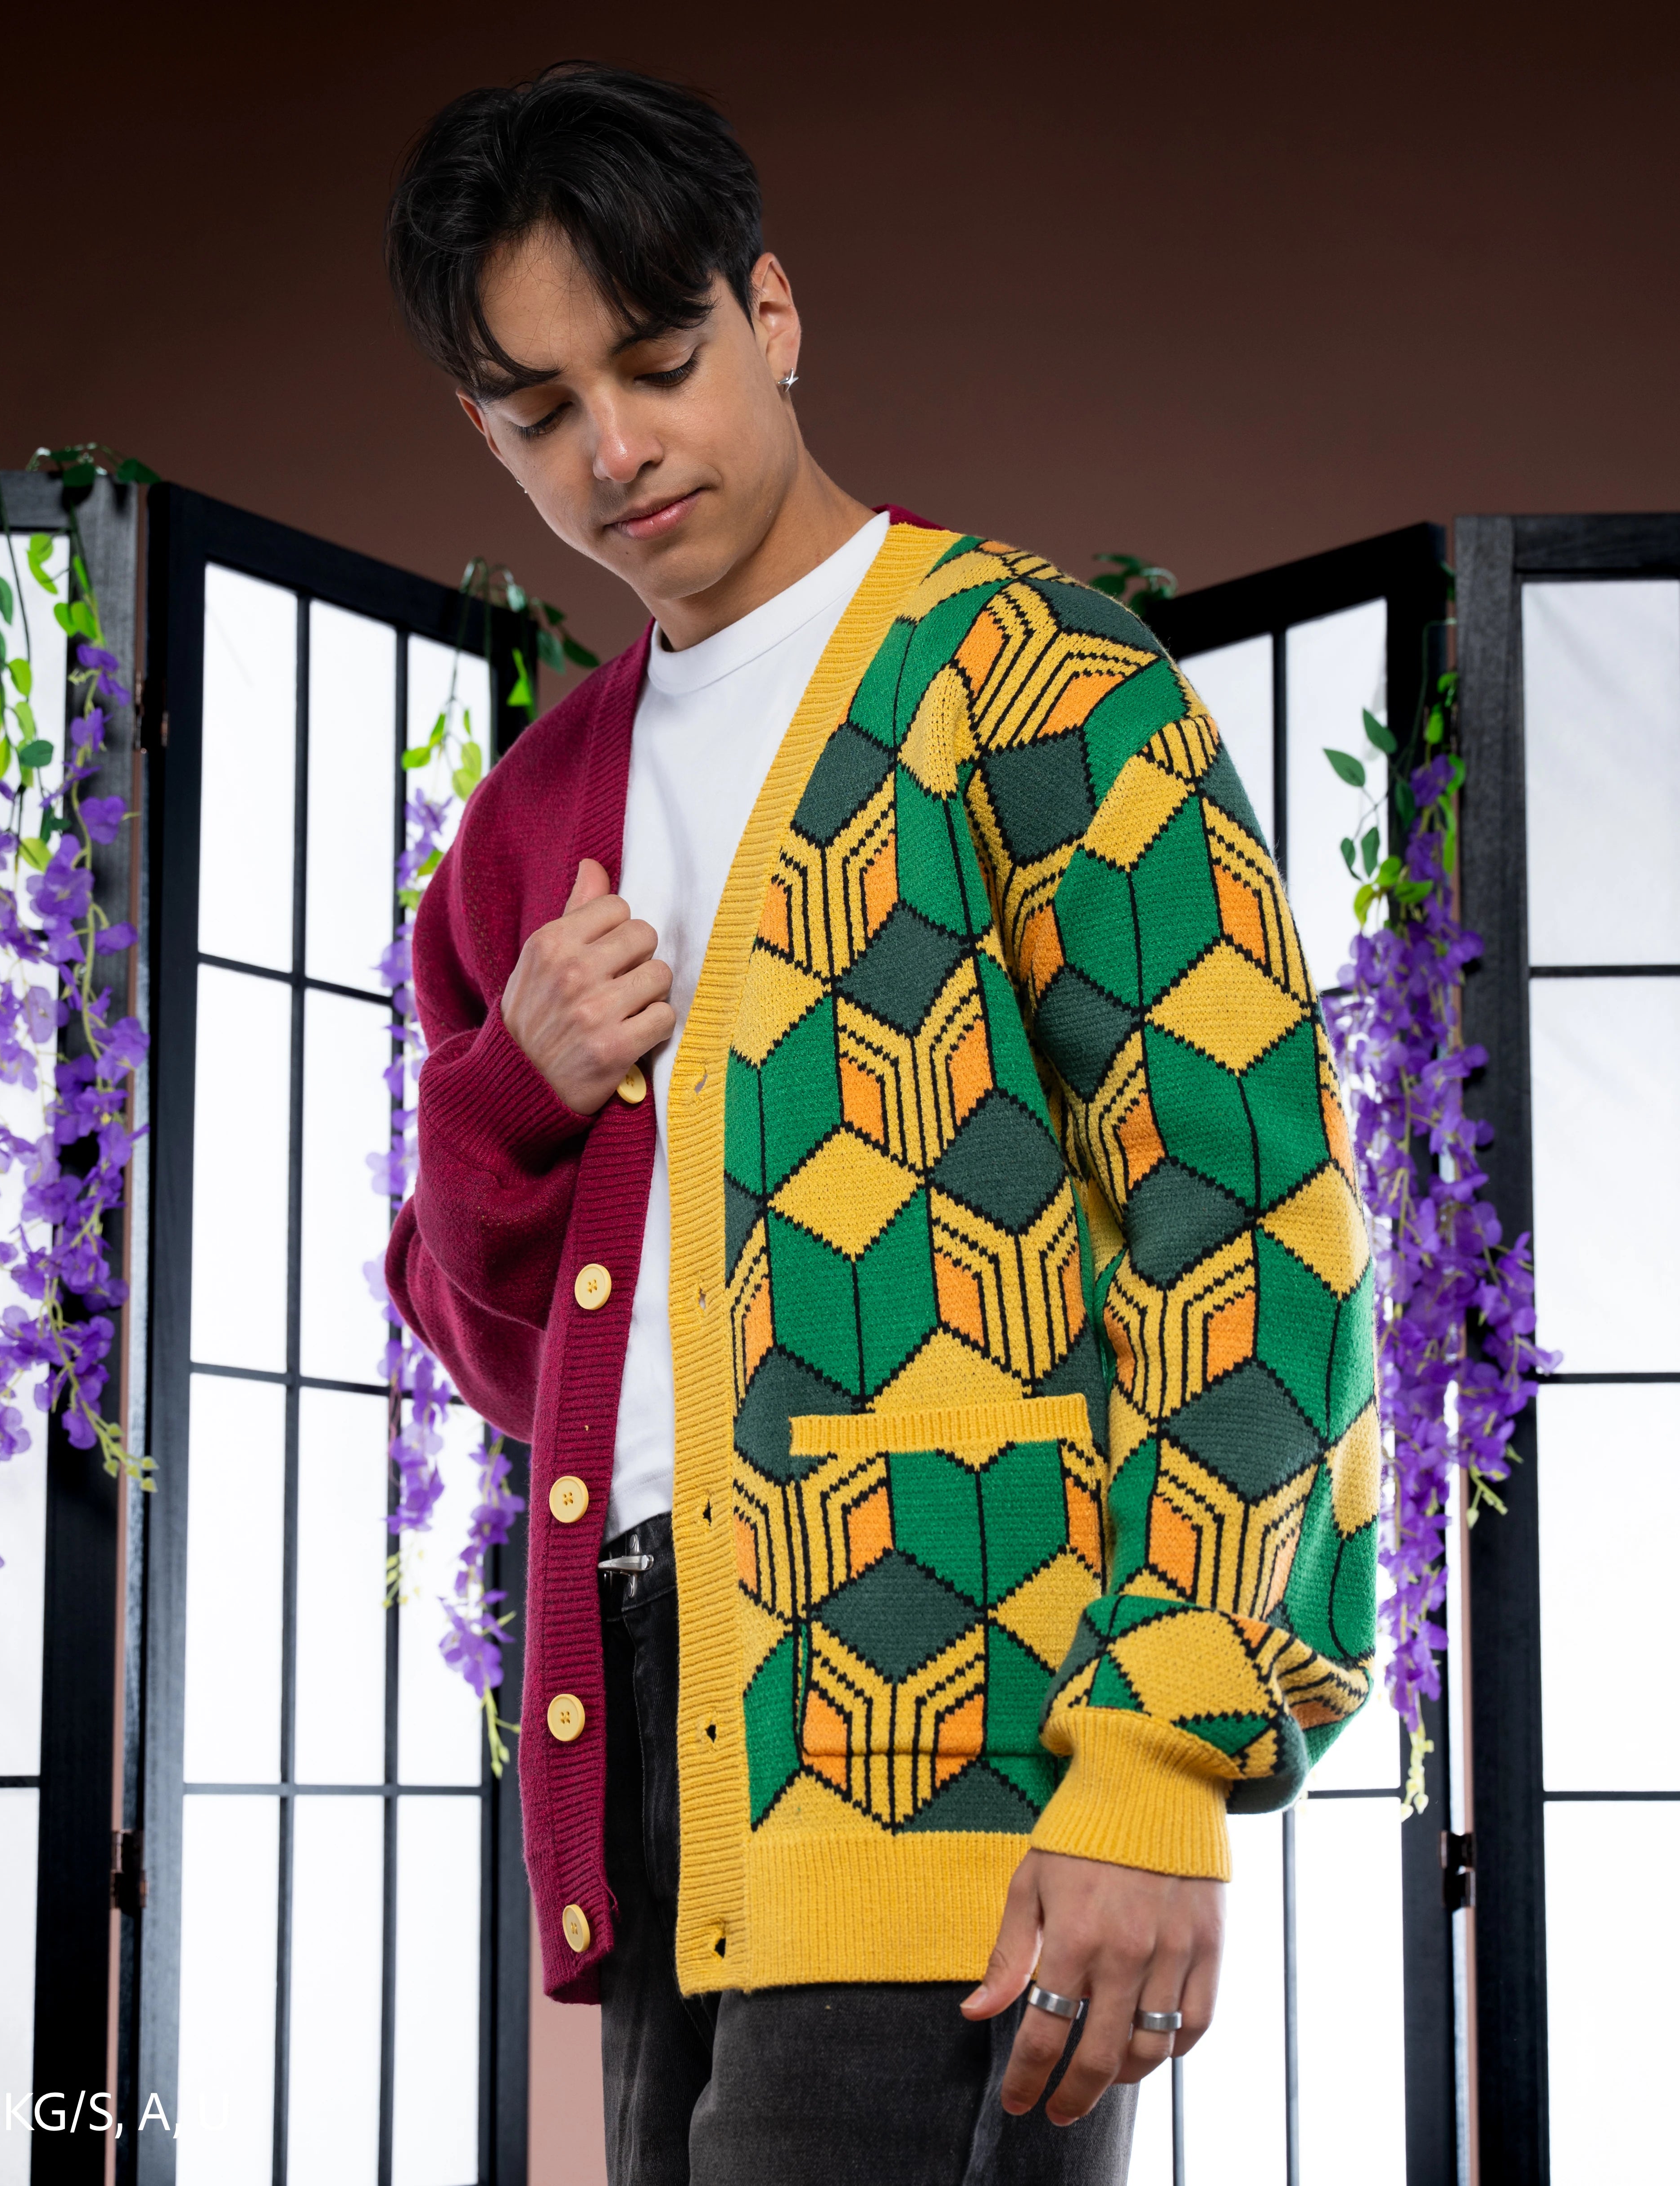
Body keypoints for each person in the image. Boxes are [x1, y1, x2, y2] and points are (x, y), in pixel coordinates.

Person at [384, 62, 1379, 2186]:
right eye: (540, 410)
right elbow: (505, 1357)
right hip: (650, 1739)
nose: (614, 448)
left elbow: (1246, 1217)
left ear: (770, 315)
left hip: (953, 1735)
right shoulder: (532, 817)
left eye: (656, 361)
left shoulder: (1033, 679)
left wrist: (1154, 1760)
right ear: (483, 430)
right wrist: (507, 1091)